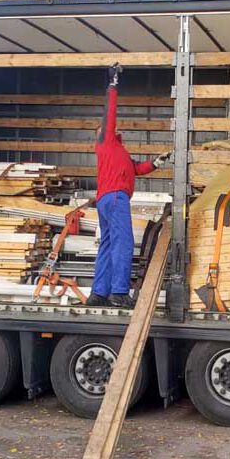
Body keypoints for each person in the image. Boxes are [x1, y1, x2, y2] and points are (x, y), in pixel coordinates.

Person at [88, 66, 171, 308]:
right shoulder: (106, 142)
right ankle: (119, 292)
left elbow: (136, 168)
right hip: (115, 198)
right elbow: (109, 115)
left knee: (107, 245)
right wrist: (112, 86)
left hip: (106, 199)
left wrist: (156, 162)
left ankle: (99, 293)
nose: (112, 128)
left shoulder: (119, 152)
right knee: (123, 242)